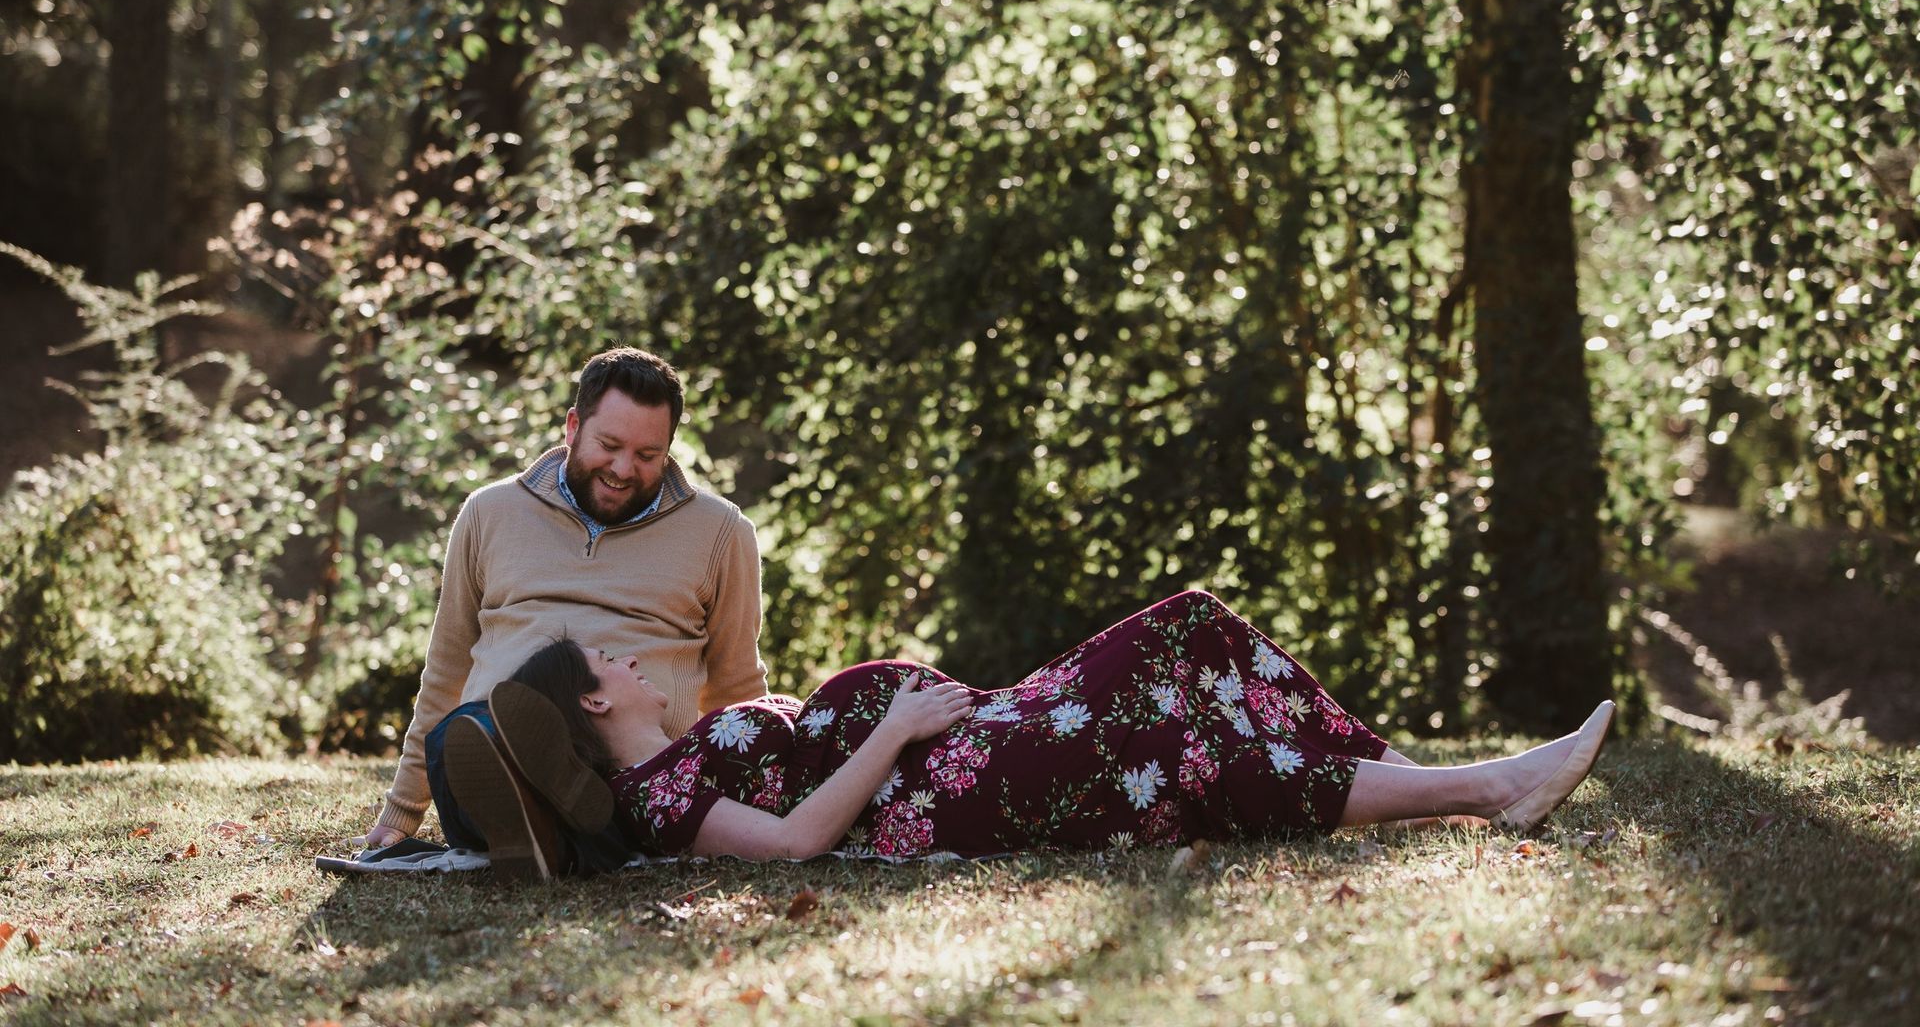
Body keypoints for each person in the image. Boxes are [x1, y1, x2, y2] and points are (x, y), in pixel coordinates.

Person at [484, 589, 1611, 871]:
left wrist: (911, 716)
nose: (628, 661)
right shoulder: (657, 797)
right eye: (609, 661)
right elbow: (793, 844)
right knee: (1186, 752)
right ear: (594, 702)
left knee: (1192, 626)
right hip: (943, 784)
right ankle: (1483, 787)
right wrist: (897, 726)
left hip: (963, 736)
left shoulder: (684, 755)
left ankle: (1409, 781)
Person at [358, 347, 770, 874]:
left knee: (616, 768)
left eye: (648, 455)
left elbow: (735, 683)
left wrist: (757, 798)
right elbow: (446, 669)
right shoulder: (489, 512)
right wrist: (400, 813)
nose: (623, 469)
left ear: (670, 448)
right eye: (609, 446)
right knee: (477, 727)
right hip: (489, 745)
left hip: (639, 768)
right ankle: (545, 814)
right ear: (573, 426)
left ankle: (560, 822)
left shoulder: (721, 532)